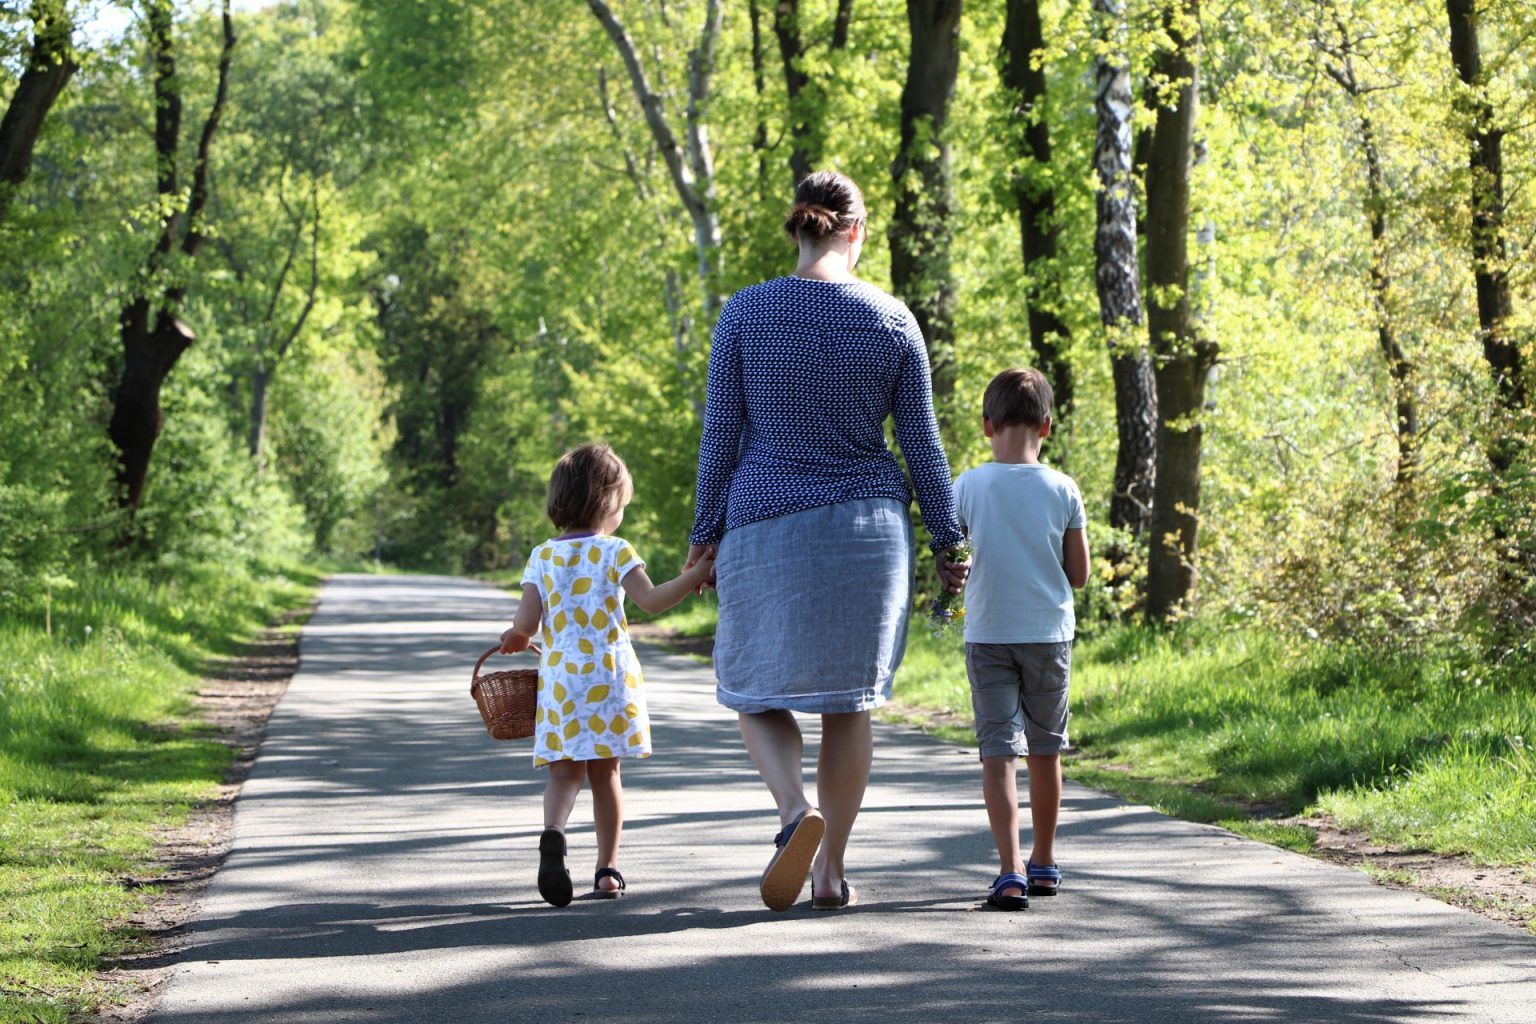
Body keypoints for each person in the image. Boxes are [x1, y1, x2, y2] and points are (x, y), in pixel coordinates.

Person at [684, 170, 968, 912]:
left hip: (764, 521)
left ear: (800, 229)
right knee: (850, 705)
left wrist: (702, 534)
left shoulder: (744, 313)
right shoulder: (893, 319)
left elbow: (721, 435)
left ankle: (791, 811)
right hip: (866, 532)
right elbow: (922, 445)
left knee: (751, 688)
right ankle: (832, 868)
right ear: (856, 231)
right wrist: (948, 539)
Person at [501, 443, 715, 907]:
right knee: (606, 774)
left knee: (563, 775)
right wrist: (694, 573)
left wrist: (516, 638)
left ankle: (554, 833)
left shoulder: (542, 556)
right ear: (609, 502)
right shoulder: (616, 551)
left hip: (561, 682)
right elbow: (653, 602)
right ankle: (607, 871)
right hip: (609, 678)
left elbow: (526, 623)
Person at [952, 368, 1089, 911]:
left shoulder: (966, 484)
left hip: (988, 632)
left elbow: (953, 558)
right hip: (1048, 633)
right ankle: (1045, 862)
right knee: (1045, 751)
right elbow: (1077, 575)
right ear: (1047, 427)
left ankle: (1008, 871)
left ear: (988, 425)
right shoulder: (1063, 488)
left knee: (998, 754)